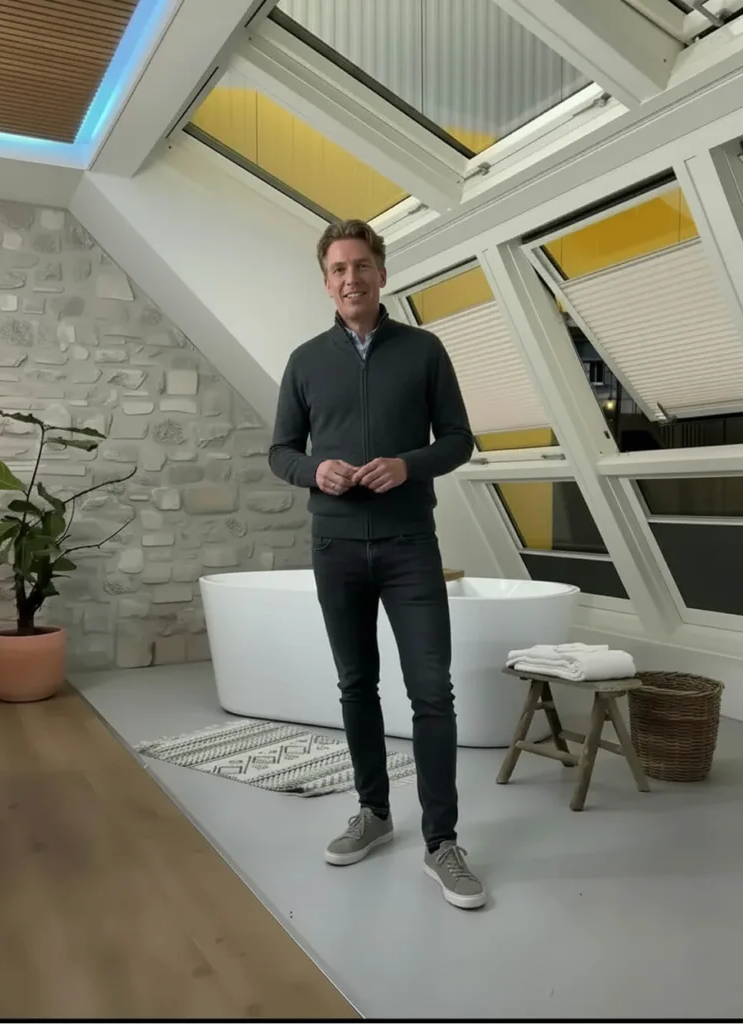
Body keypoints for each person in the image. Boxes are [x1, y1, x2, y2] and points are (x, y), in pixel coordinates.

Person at [268, 219, 485, 910]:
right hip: (334, 548)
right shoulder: (305, 360)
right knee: (356, 685)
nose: (351, 278)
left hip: (409, 545)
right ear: (326, 282)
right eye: (338, 269)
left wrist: (406, 465)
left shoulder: (424, 350)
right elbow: (280, 451)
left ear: (382, 274)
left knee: (432, 692)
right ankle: (374, 812)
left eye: (361, 265)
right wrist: (314, 470)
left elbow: (459, 440)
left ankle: (442, 842)